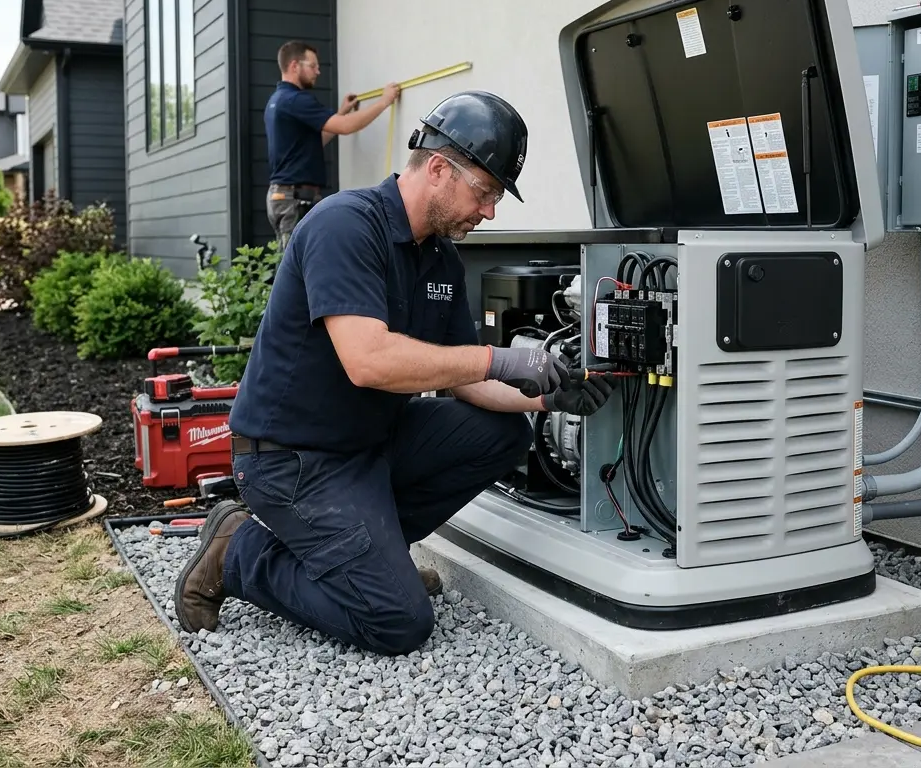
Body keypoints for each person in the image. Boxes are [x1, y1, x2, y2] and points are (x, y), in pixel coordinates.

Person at [172, 91, 616, 655]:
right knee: (399, 623)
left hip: (368, 445)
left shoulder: (441, 258)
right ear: (438, 169)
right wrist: (500, 356)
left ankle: (366, 559)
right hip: (292, 460)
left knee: (502, 435)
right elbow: (369, 361)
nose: (489, 212)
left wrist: (549, 401)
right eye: (484, 193)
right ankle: (238, 551)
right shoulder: (345, 226)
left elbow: (463, 381)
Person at [264, 40, 402, 247]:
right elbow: (345, 127)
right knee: (296, 267)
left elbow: (314, 142)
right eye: (312, 66)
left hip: (287, 196)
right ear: (294, 66)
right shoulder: (296, 100)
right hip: (295, 199)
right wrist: (384, 101)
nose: (318, 71)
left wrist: (341, 112)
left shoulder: (278, 100)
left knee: (300, 261)